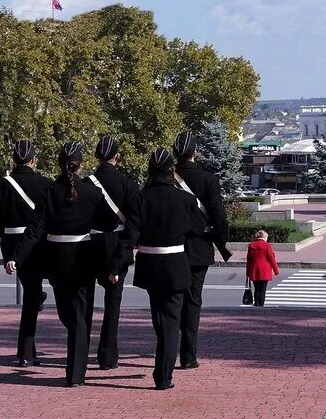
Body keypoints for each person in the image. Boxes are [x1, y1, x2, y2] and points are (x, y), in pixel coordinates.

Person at [11, 141, 106, 387]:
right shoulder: (91, 193)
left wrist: (16, 256)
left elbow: (35, 230)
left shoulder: (50, 191)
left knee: (73, 316)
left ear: (58, 163)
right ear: (80, 164)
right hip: (84, 258)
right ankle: (76, 369)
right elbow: (107, 226)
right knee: (76, 316)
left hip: (57, 259)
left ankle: (75, 374)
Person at [125, 148, 204, 389]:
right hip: (176, 264)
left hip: (150, 264)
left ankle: (163, 368)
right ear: (172, 170)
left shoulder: (140, 197)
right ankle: (163, 375)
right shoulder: (185, 199)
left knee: (160, 319)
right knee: (170, 321)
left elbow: (132, 234)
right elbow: (197, 229)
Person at [0, 139, 51, 367]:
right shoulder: (44, 183)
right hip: (38, 243)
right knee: (32, 296)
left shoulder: (1, 185)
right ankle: (26, 352)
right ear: (33, 160)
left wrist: (9, 221)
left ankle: (27, 351)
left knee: (32, 294)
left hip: (12, 243)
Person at [172, 130, 231, 371]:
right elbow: (218, 215)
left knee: (173, 301)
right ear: (194, 153)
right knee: (193, 302)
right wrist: (220, 239)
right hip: (198, 247)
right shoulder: (208, 180)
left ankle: (167, 350)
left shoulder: (167, 177)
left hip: (172, 247)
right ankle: (188, 355)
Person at [85, 136, 141, 370]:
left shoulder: (86, 182)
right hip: (117, 245)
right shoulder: (128, 184)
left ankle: (79, 351)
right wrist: (123, 252)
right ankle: (107, 356)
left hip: (91, 245)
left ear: (97, 156)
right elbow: (135, 224)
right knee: (113, 304)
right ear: (117, 157)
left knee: (85, 303)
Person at [246, 230, 280, 307]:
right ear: (264, 237)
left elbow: (249, 260)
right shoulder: (267, 245)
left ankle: (256, 304)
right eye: (267, 237)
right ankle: (261, 305)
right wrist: (276, 270)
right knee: (262, 290)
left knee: (256, 289)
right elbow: (271, 259)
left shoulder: (251, 245)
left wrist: (248, 273)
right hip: (264, 270)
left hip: (254, 270)